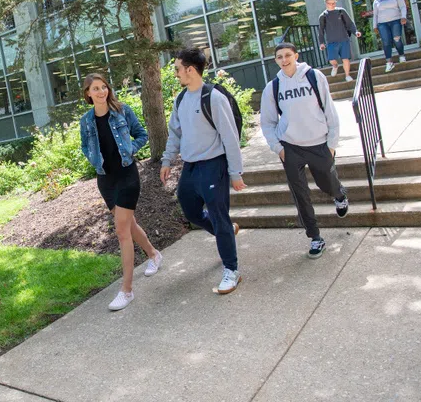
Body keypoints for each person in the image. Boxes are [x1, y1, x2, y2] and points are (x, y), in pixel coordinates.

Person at [160, 49, 246, 295]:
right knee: (191, 211)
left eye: (177, 68)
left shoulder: (213, 98)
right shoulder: (180, 99)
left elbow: (230, 137)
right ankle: (227, 231)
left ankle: (232, 270)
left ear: (190, 69)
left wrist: (235, 173)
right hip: (190, 166)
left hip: (213, 164)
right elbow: (175, 133)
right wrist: (167, 161)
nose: (175, 73)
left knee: (219, 217)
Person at [80, 73, 161, 311]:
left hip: (127, 176)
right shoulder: (86, 121)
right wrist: (94, 160)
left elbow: (142, 135)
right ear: (88, 94)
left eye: (104, 87)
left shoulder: (122, 111)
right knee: (130, 226)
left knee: (121, 231)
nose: (101, 92)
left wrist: (129, 150)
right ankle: (154, 255)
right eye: (96, 88)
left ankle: (127, 290)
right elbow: (86, 145)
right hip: (105, 180)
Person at [260, 42, 348, 260]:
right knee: (300, 194)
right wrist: (278, 148)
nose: (284, 60)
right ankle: (315, 237)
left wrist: (332, 143)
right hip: (290, 148)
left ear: (296, 56)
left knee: (326, 182)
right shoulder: (273, 87)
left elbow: (329, 109)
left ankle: (339, 194)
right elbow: (267, 122)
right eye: (279, 57)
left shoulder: (314, 76)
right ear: (275, 60)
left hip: (318, 143)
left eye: (287, 55)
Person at [318, 0, 362, 82]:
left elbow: (350, 24)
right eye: (331, 3)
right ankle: (335, 66)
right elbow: (321, 31)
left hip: (344, 39)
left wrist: (355, 31)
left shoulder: (341, 11)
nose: (333, 5)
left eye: (334, 3)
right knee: (331, 59)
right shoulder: (323, 16)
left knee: (345, 58)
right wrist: (321, 43)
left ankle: (347, 75)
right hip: (331, 41)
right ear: (326, 3)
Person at [372, 0, 408, 73]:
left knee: (396, 39)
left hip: (395, 21)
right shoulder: (376, 1)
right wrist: (374, 26)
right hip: (382, 24)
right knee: (386, 42)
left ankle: (401, 55)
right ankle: (389, 62)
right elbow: (375, 14)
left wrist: (403, 16)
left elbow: (403, 7)